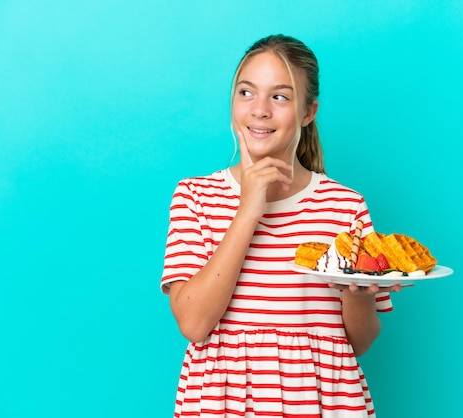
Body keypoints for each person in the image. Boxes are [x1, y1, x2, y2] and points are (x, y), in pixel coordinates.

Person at [161, 34, 405, 418]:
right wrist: (248, 210)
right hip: (223, 404)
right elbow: (194, 323)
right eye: (246, 92)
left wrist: (358, 294)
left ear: (308, 113)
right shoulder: (195, 196)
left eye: (280, 96)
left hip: (322, 404)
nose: (259, 110)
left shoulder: (345, 206)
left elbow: (358, 343)